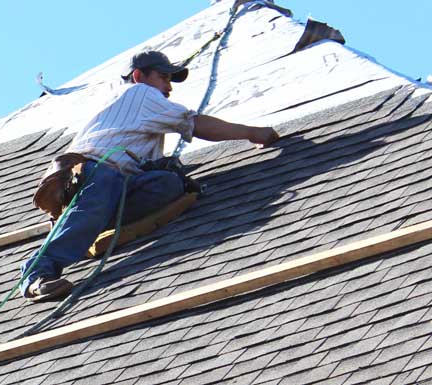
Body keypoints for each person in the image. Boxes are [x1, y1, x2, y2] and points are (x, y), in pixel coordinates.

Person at [21, 50, 279, 302]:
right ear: (138, 76)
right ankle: (37, 274)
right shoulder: (139, 93)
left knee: (170, 183)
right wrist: (252, 132)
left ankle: (97, 229)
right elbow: (195, 124)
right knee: (109, 180)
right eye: (163, 77)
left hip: (116, 185)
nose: (169, 86)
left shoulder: (132, 109)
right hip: (95, 174)